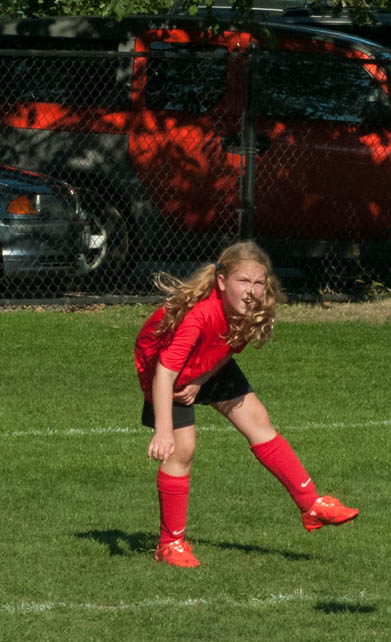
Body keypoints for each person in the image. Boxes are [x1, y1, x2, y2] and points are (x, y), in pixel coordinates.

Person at [134, 241, 359, 568]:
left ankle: (311, 506)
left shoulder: (252, 307)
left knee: (258, 420)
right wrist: (163, 431)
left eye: (259, 282)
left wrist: (201, 381)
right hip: (164, 370)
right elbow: (165, 372)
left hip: (203, 365)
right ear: (222, 282)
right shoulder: (198, 317)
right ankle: (169, 545)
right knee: (182, 449)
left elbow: (227, 347)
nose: (252, 290)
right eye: (244, 282)